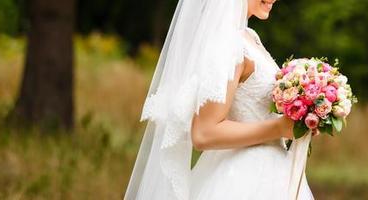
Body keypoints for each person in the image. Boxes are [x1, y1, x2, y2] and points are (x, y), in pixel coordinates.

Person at [124, 0, 314, 199]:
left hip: (274, 173)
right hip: (241, 180)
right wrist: (278, 128)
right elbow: (204, 133)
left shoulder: (249, 37)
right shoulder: (228, 45)